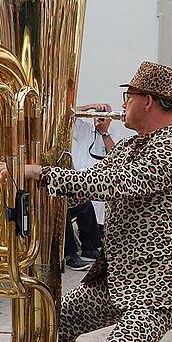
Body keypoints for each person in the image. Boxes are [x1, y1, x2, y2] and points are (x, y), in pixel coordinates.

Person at [0, 62, 172, 342]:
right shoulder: (128, 146)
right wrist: (18, 176)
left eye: (129, 97)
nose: (123, 105)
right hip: (117, 281)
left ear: (147, 101)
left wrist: (40, 172)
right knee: (50, 326)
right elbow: (84, 186)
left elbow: (113, 184)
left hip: (159, 287)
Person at [61, 103, 115, 271]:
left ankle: (90, 247)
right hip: (76, 181)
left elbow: (116, 156)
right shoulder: (83, 128)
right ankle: (69, 255)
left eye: (104, 114)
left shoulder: (111, 133)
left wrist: (104, 132)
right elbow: (67, 114)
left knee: (85, 205)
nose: (100, 117)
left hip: (94, 183)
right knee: (61, 210)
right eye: (98, 114)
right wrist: (90, 108)